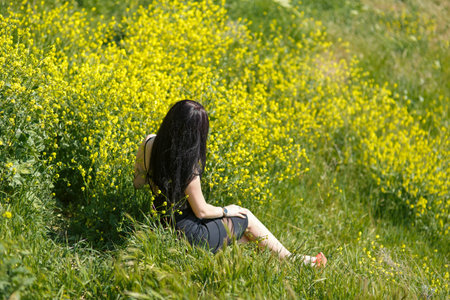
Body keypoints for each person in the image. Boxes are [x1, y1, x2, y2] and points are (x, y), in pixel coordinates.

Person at [134, 100, 326, 267]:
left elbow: (138, 182)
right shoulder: (188, 165)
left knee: (246, 238)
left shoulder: (149, 142)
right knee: (246, 218)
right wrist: (227, 210)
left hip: (163, 225)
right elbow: (202, 211)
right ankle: (294, 261)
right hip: (190, 235)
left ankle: (288, 261)